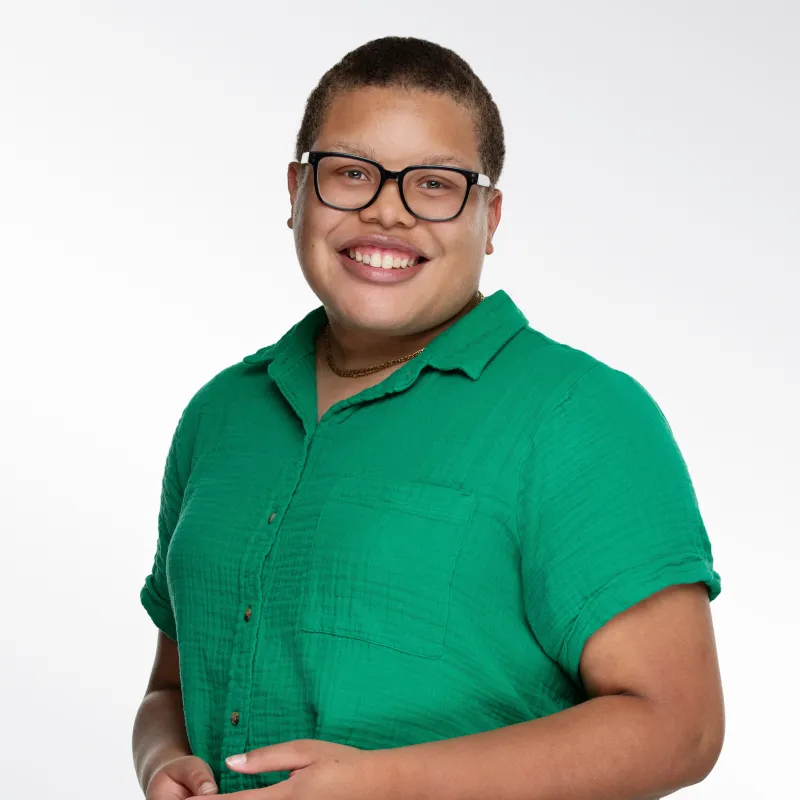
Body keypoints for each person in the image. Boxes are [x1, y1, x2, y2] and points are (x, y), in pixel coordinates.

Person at [133, 36, 724, 800]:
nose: (386, 210)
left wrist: (384, 783)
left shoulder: (581, 414)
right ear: (295, 192)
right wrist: (162, 761)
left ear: (490, 214)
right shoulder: (221, 414)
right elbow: (170, 693)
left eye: (435, 185)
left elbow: (681, 727)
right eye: (350, 174)